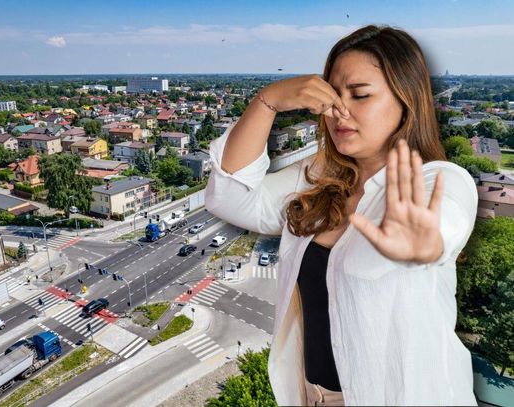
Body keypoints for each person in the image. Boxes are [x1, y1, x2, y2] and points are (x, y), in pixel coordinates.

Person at [205, 24, 478, 406]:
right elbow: (230, 200)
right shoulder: (316, 177)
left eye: (361, 95)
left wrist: (423, 241)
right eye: (332, 96)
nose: (339, 111)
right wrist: (267, 101)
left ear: (406, 102)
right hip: (313, 396)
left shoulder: (438, 179)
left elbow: (444, 222)